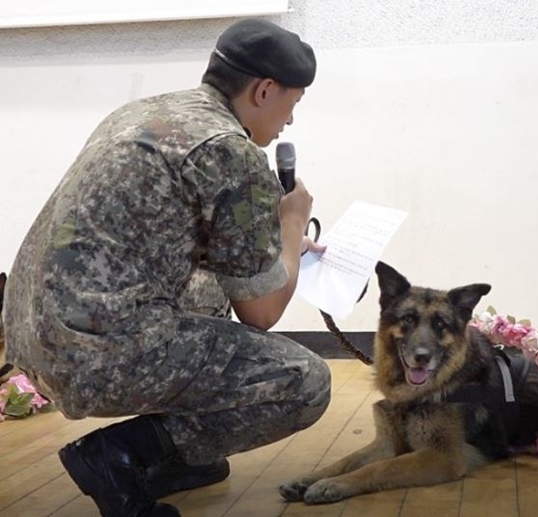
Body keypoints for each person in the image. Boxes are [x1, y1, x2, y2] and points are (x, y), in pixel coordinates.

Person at [2, 18, 330, 517]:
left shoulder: (147, 112)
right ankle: (121, 457)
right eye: (293, 104)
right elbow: (262, 312)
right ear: (265, 90)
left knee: (212, 291)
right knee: (306, 382)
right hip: (87, 355)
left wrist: (278, 246)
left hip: (29, 330)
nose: (288, 121)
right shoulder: (228, 150)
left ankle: (175, 456)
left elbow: (168, 236)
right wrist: (289, 223)